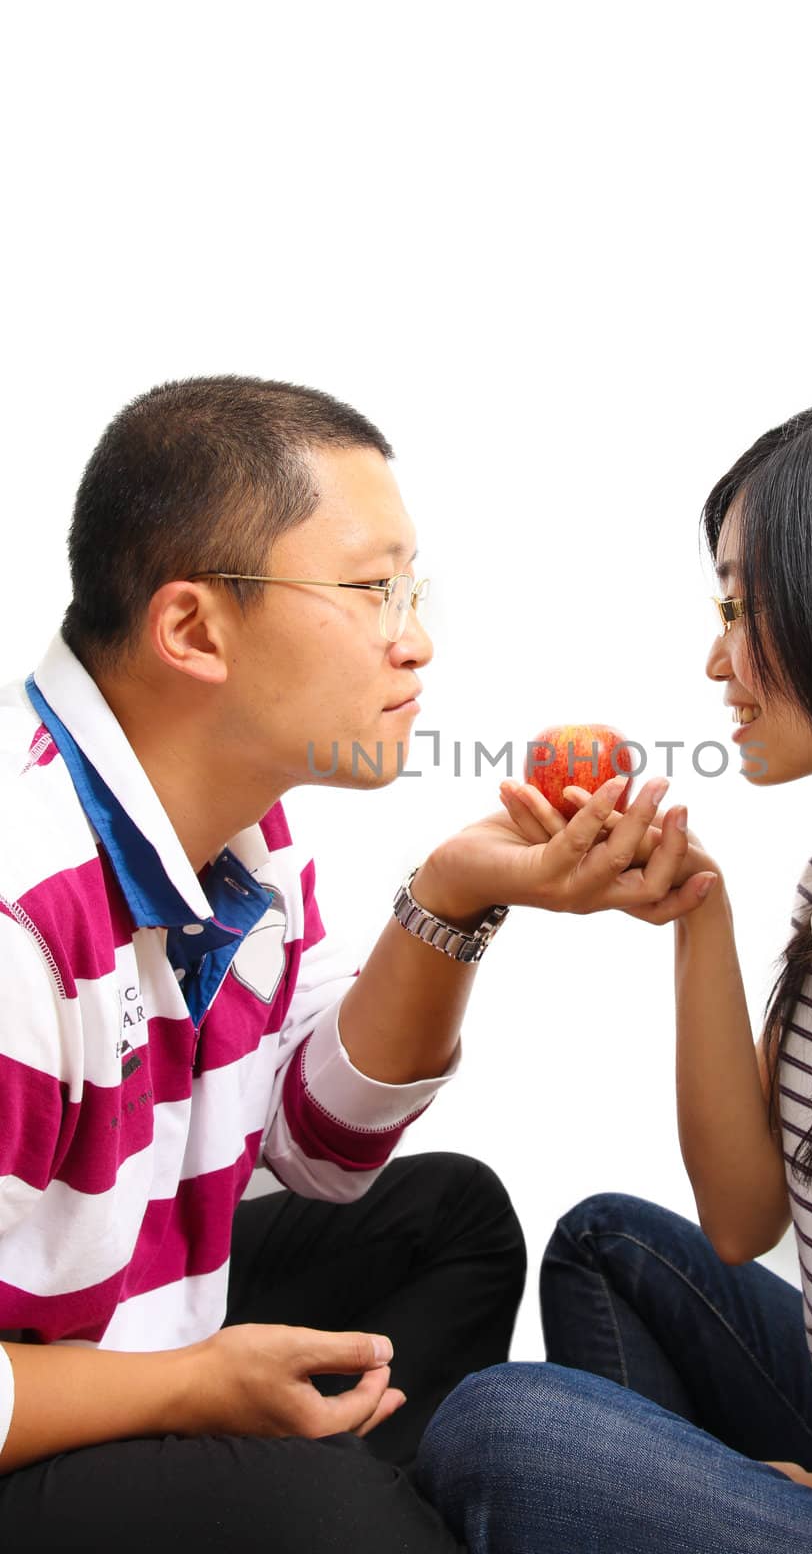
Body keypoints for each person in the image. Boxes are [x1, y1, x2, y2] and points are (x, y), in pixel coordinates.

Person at [0, 375, 708, 1553]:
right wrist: (191, 1389)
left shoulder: (238, 828)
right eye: (372, 590)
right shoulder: (24, 915)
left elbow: (318, 1148)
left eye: (411, 589)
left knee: (453, 1222)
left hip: (117, 1327)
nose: (415, 639)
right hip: (34, 1408)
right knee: (334, 1513)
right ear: (191, 629)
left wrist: (454, 895)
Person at [417, 379, 812, 1554]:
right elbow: (738, 1216)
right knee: (607, 1246)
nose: (714, 658)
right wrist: (694, 917)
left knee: (503, 1430)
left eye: (740, 607)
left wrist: (796, 1500)